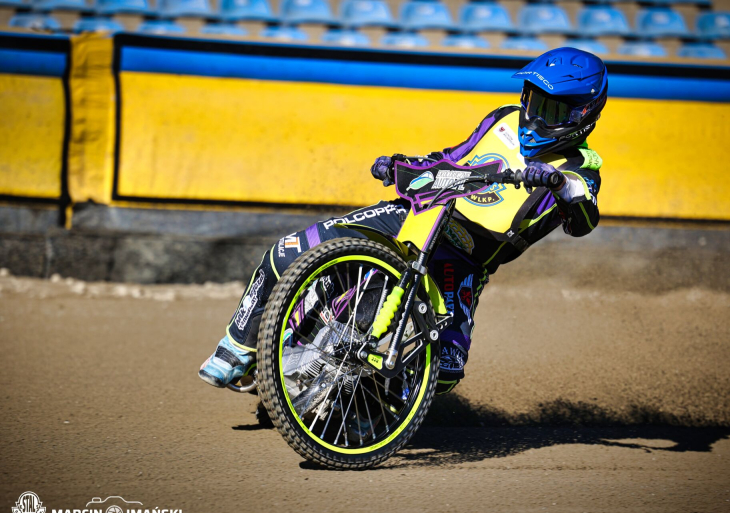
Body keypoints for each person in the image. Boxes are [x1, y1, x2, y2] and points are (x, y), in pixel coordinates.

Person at [198, 47, 607, 395]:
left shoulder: (582, 168)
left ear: (582, 115)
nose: (533, 116)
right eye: (531, 99)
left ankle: (363, 409)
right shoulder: (502, 117)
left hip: (465, 260)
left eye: (549, 108)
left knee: (443, 374)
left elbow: (582, 219)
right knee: (286, 253)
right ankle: (237, 349)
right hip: (418, 214)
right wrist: (404, 164)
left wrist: (564, 187)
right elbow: (453, 156)